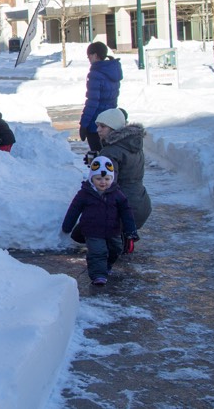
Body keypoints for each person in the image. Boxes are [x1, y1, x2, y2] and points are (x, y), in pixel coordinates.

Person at [61, 155, 139, 287]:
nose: (103, 182)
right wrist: (67, 226)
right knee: (97, 252)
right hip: (92, 231)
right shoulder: (85, 193)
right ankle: (98, 275)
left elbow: (126, 212)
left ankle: (106, 266)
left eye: (107, 179)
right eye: (99, 179)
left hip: (113, 230)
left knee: (115, 250)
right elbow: (74, 209)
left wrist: (131, 230)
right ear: (92, 178)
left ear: (112, 179)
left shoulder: (117, 194)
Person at [95, 107, 150, 253]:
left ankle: (116, 242)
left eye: (103, 126)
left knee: (84, 229)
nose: (98, 130)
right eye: (97, 126)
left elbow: (106, 185)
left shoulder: (110, 151)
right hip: (142, 204)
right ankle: (126, 235)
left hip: (124, 209)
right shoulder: (133, 145)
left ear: (113, 128)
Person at [79, 41, 123, 162]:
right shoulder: (113, 70)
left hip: (96, 124)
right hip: (110, 122)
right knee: (109, 157)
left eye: (89, 55)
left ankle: (98, 179)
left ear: (95, 55)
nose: (88, 58)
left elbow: (92, 102)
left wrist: (84, 124)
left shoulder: (96, 73)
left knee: (98, 159)